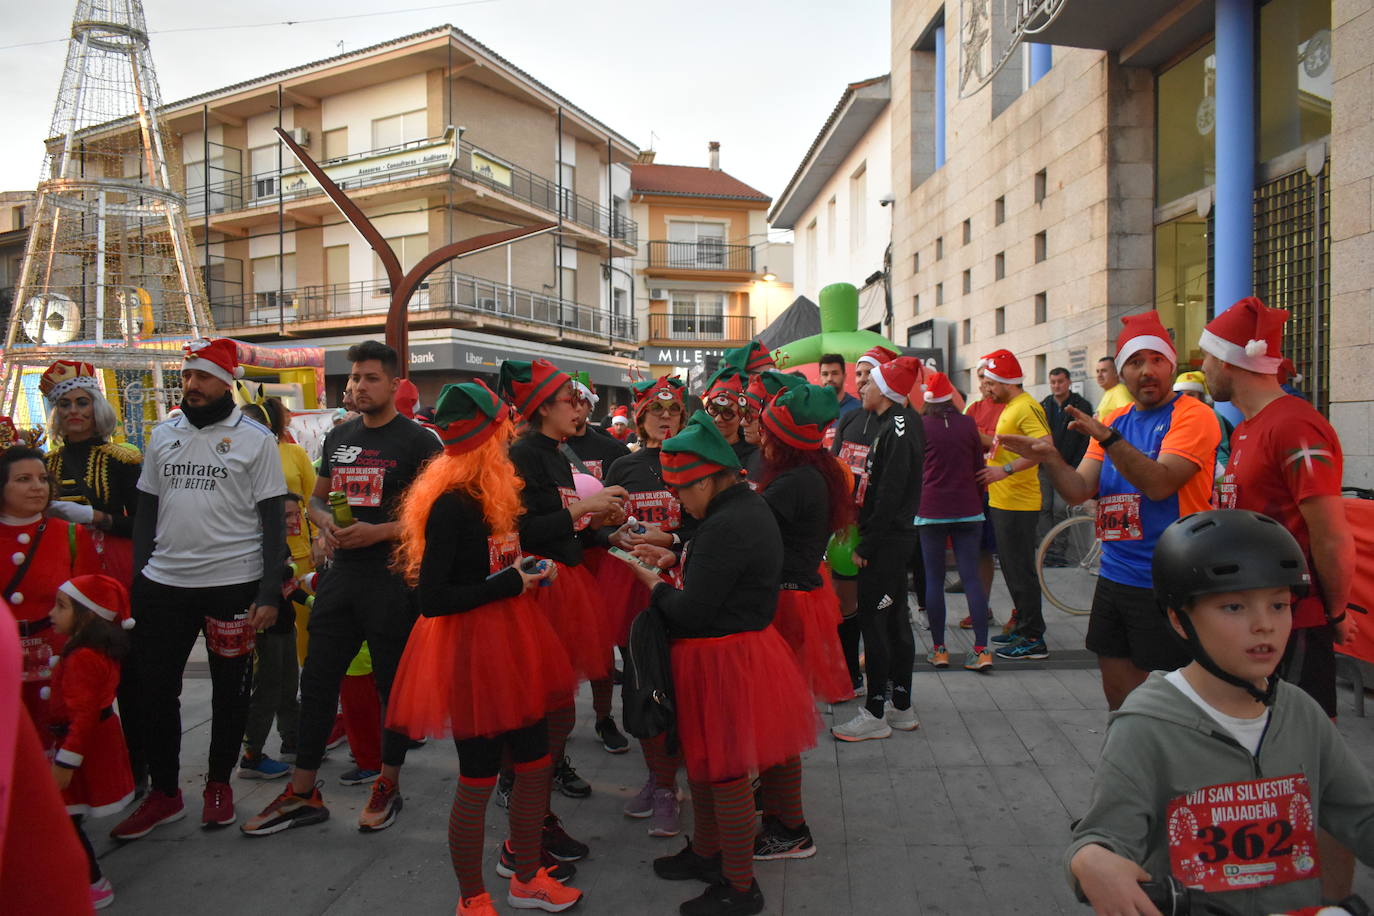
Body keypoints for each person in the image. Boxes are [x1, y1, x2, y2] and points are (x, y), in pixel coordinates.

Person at [1067, 509, 1374, 916]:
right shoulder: (1145, 725)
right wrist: (1090, 860)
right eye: (1234, 607)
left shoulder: (1301, 712)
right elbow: (1103, 837)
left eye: (1279, 605)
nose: (1264, 625)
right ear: (1180, 620)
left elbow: (1360, 816)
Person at [386, 380, 581, 916]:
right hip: (472, 650)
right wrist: (510, 584)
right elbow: (432, 600)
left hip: (516, 642)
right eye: (502, 433)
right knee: (477, 776)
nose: (508, 443)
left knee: (536, 761)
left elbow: (500, 562)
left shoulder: (496, 494)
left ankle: (526, 877)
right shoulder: (452, 505)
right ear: (486, 438)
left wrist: (529, 572)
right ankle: (472, 898)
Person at [242, 340, 440, 836]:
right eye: (354, 378)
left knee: (390, 688)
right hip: (341, 576)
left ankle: (387, 784)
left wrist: (380, 532)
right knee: (318, 682)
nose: (358, 386)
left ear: (394, 384)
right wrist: (327, 524)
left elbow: (438, 518)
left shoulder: (420, 443)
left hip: (393, 579)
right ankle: (303, 792)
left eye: (370, 378)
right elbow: (315, 500)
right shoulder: (340, 437)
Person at [625, 410, 817, 916]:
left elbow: (692, 609)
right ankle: (709, 854)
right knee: (706, 769)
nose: (678, 500)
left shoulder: (728, 523)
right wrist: (677, 555)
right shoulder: (739, 510)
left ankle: (739, 885)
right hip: (732, 652)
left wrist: (653, 584)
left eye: (683, 490)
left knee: (725, 773)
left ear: (709, 479)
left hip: (723, 659)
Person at [1202, 296, 1360, 899]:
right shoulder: (1246, 428)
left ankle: (1335, 898)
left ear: (1234, 363)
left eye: (1208, 356)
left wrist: (1336, 614)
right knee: (1263, 764)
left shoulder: (1295, 424)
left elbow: (1330, 532)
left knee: (1309, 766)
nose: (1202, 366)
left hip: (1295, 625)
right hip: (1253, 626)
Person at [111, 338, 286, 840]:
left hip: (233, 583)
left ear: (226, 381)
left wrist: (269, 593)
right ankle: (165, 793)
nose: (193, 385)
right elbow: (146, 510)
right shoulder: (162, 434)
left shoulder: (256, 439)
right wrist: (140, 575)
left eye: (204, 376)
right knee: (154, 691)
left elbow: (273, 521)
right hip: (163, 585)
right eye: (188, 376)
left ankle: (217, 785)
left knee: (231, 691)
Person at [1000, 313, 1217, 705]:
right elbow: (1079, 489)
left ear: (1171, 365)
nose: (1146, 371)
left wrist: (1109, 437)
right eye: (1135, 363)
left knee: (1174, 705)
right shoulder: (1115, 419)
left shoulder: (1192, 415)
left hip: (1168, 581)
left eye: (1156, 360)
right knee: (1119, 697)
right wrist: (1049, 458)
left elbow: (1160, 483)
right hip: (1115, 577)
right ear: (1123, 372)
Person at [498, 358, 628, 859]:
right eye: (570, 401)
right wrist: (583, 510)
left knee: (555, 705)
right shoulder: (525, 454)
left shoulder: (554, 451)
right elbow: (525, 531)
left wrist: (605, 532)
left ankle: (538, 790)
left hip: (564, 583)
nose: (581, 409)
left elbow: (562, 523)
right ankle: (528, 805)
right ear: (543, 407)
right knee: (541, 705)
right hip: (541, 590)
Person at [754, 381, 851, 860]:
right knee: (778, 714)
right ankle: (775, 803)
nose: (761, 438)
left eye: (768, 431)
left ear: (784, 441)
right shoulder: (819, 473)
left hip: (786, 606)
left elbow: (746, 535)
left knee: (777, 719)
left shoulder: (793, 484)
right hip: (800, 596)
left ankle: (790, 828)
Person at [601, 376, 690, 838]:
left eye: (672, 411)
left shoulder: (695, 461)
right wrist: (610, 532)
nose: (664, 417)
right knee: (641, 686)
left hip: (684, 586)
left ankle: (677, 778)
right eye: (655, 411)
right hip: (633, 587)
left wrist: (674, 542)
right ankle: (659, 782)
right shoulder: (623, 466)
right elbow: (602, 523)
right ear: (640, 419)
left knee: (682, 687)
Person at [831, 356, 924, 741]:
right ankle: (901, 706)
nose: (862, 387)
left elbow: (890, 492)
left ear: (885, 389)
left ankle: (875, 713)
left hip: (885, 544)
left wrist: (867, 544)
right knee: (895, 618)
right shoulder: (899, 423)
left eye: (869, 382)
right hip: (892, 540)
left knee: (876, 620)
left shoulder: (897, 427)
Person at [48, 574, 136, 910]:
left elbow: (82, 714)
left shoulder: (83, 657)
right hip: (90, 742)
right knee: (68, 816)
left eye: (61, 606)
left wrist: (66, 760)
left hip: (81, 747)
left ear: (87, 616)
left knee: (65, 817)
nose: (52, 613)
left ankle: (91, 882)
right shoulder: (94, 651)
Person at [4, 443, 100, 745]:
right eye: (23, 479)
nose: (37, 487)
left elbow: (90, 610)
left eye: (43, 479)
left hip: (59, 668)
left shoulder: (71, 535)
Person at [563, 371, 632, 755]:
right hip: (559, 558)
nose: (574, 409)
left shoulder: (610, 450)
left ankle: (604, 717)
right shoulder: (539, 449)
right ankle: (564, 717)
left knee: (602, 643)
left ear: (590, 406)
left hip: (601, 556)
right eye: (567, 401)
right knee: (561, 643)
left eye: (580, 402)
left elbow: (629, 497)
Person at [974, 349, 1052, 661]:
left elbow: (1045, 447)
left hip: (1019, 503)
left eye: (991, 382)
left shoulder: (1026, 406)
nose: (987, 387)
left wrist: (1003, 470)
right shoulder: (1011, 406)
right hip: (1004, 501)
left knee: (1020, 572)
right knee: (1011, 570)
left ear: (1007, 381)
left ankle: (1034, 638)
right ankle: (1023, 626)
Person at [828, 345, 895, 693]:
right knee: (846, 603)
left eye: (870, 375)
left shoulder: (898, 423)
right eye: (860, 375)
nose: (863, 381)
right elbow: (836, 468)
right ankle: (850, 674)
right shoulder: (851, 418)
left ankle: (886, 684)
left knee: (882, 607)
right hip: (849, 525)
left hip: (882, 529)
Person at [916, 371, 994, 672]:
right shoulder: (968, 424)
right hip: (969, 509)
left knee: (934, 579)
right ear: (951, 396)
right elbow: (979, 467)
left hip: (931, 510)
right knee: (972, 577)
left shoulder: (921, 427)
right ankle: (981, 650)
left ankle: (940, 650)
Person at [39, 360, 141, 585]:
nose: (73, 410)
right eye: (64, 404)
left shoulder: (121, 460)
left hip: (109, 564)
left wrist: (96, 517)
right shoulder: (45, 464)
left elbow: (143, 525)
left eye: (82, 402)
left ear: (96, 408)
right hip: (57, 562)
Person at [959, 365, 1008, 632]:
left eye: (990, 379)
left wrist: (980, 438)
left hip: (1007, 491)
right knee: (979, 552)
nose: (986, 384)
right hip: (976, 490)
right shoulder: (973, 409)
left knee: (1011, 558)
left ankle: (1020, 612)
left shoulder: (1010, 407)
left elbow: (1006, 444)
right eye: (981, 378)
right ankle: (981, 607)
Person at [1038, 366, 1093, 556]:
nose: (1057, 386)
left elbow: (1085, 440)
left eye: (1060, 381)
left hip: (1068, 466)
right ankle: (1047, 548)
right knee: (1044, 507)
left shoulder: (1081, 406)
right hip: (1045, 466)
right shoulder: (1043, 405)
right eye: (1053, 382)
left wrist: (1077, 465)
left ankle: (1059, 550)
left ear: (1069, 382)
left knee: (1061, 508)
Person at [1173, 370, 1233, 479]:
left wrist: (1224, 482)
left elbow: (1221, 451)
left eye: (1191, 394)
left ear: (1201, 397)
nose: (1184, 398)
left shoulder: (1211, 415)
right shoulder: (1172, 416)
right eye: (1180, 394)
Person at [1094, 355, 1133, 422]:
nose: (1099, 375)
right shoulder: (1109, 391)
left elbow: (1129, 416)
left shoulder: (1120, 391)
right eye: (1097, 371)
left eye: (1104, 371)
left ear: (1116, 373)